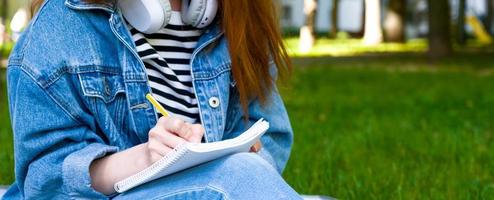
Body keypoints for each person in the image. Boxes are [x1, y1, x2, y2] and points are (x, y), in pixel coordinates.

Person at [4, 0, 299, 199]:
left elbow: (271, 133)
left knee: (246, 170)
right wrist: (146, 158)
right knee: (241, 174)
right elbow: (46, 181)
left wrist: (249, 149)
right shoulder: (60, 27)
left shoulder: (238, 15)